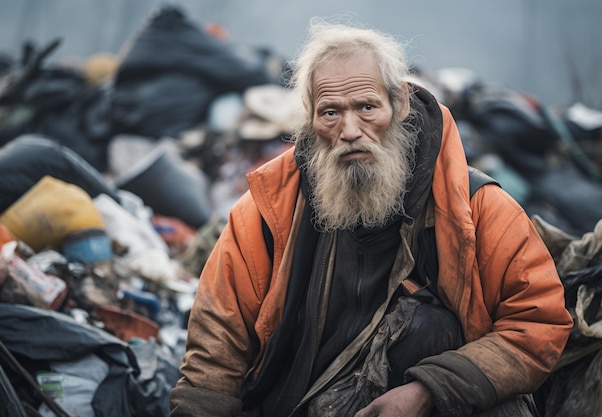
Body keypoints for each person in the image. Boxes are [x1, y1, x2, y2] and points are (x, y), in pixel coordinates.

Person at [170, 19, 572, 417]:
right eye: (330, 113)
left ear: (400, 104)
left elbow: (538, 323)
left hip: (435, 402)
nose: (349, 130)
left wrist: (430, 388)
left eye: (366, 107)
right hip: (297, 400)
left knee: (439, 336)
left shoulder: (477, 208)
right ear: (310, 120)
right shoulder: (268, 211)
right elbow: (217, 340)